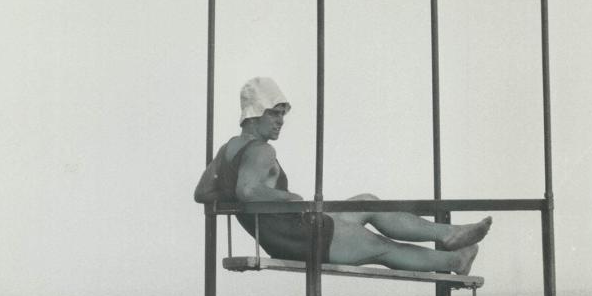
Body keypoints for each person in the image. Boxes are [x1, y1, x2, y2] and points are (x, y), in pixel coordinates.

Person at [195, 76, 492, 273]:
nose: (280, 121)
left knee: (367, 201)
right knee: (382, 249)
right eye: (275, 113)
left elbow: (202, 193)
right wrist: (290, 197)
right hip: (301, 237)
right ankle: (454, 259)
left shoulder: (228, 150)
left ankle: (449, 234)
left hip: (287, 234)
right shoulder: (262, 151)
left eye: (283, 114)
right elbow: (248, 191)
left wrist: (232, 193)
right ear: (256, 113)